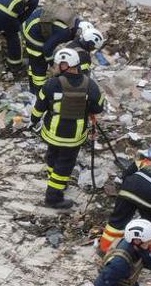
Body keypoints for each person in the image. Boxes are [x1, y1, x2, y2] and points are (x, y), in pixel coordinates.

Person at [30, 47, 105, 208]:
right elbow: (98, 107)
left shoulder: (52, 84)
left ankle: (55, 186)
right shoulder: (90, 85)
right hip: (73, 136)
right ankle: (54, 197)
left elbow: (39, 106)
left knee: (52, 156)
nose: (55, 67)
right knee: (64, 165)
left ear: (65, 65)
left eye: (58, 64)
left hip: (52, 132)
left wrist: (33, 120)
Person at [21, 3, 76, 95]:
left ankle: (32, 88)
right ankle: (39, 92)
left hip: (29, 25)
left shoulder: (71, 21)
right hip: (33, 35)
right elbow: (47, 49)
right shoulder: (65, 32)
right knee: (39, 65)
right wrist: (53, 64)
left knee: (33, 63)